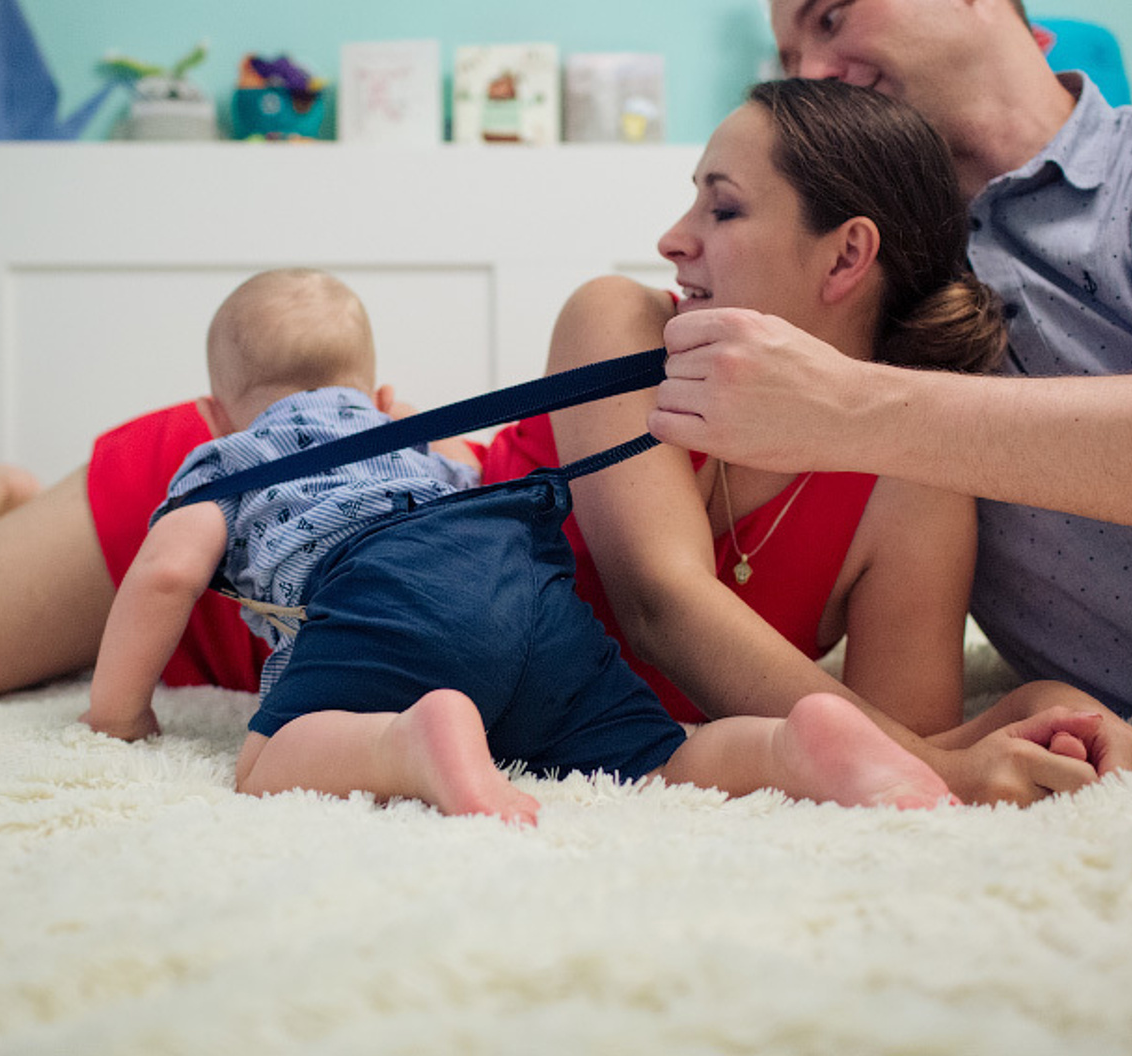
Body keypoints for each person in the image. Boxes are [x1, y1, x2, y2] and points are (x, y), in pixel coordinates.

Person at [0, 84, 1120, 804]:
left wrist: (987, 725)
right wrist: (952, 750)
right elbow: (659, 599)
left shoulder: (915, 479)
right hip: (252, 523)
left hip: (443, 667)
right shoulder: (616, 319)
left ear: (845, 255)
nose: (672, 236)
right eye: (686, 197)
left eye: (719, 206)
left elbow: (878, 736)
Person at [80, 267, 958, 823]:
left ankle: (409, 741)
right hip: (518, 575)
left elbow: (165, 576)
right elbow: (469, 469)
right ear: (381, 392)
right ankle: (791, 747)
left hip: (385, 596)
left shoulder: (223, 461)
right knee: (660, 760)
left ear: (212, 411)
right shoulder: (408, 435)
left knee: (268, 761)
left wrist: (116, 714)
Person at [646, 0, 1132, 718]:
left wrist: (849, 406)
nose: (816, 74)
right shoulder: (854, 279)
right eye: (792, 59)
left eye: (831, 18)